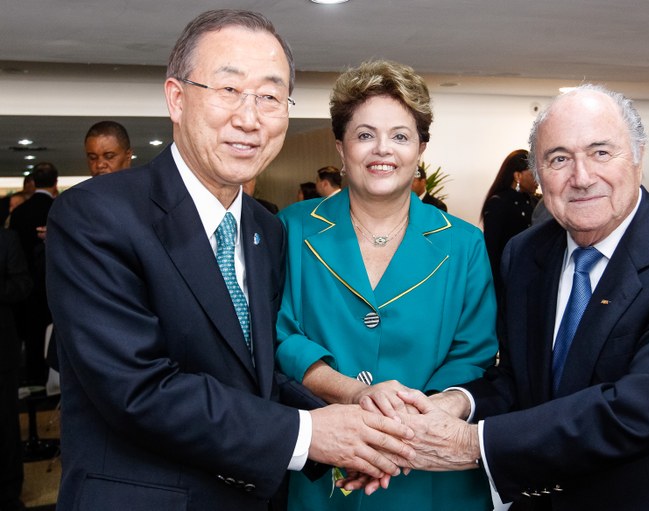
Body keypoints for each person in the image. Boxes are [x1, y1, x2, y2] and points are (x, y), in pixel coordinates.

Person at [45, 11, 414, 511]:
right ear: (177, 98)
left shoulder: (266, 228)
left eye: (270, 97)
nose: (249, 118)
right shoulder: (96, 215)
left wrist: (350, 409)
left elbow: (254, 376)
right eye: (229, 90)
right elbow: (138, 389)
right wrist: (310, 434)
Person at [387, 84, 649, 510]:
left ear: (638, 157)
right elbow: (519, 379)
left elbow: (642, 408)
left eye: (601, 152)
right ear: (538, 173)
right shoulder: (526, 253)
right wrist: (457, 402)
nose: (581, 178)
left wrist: (473, 443)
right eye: (559, 158)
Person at [275, 59, 497, 511]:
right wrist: (353, 393)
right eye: (364, 135)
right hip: (327, 468)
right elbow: (280, 335)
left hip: (430, 470)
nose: (382, 150)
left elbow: (473, 353)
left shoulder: (465, 243)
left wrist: (407, 427)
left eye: (400, 136)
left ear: (420, 148)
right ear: (341, 147)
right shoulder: (291, 228)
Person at [9, 162, 58, 385]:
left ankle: (33, 380)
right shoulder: (59, 208)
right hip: (54, 284)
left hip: (27, 286)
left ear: (34, 182)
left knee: (32, 337)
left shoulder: (19, 212)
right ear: (55, 182)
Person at [0, 229, 33, 511]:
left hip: (2, 350)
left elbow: (23, 284)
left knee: (6, 425)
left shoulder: (6, 239)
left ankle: (8, 493)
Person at [481, 149, 538, 301]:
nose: (537, 180)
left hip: (533, 279)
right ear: (518, 176)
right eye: (533, 174)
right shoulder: (499, 203)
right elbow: (492, 251)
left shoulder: (535, 202)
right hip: (507, 282)